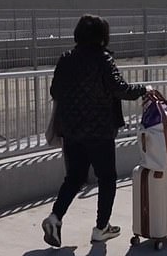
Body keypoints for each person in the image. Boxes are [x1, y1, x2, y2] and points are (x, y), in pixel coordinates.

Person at [42, 14, 150, 247]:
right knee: (107, 178)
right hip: (100, 132)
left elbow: (55, 91)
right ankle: (101, 228)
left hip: (72, 131)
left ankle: (55, 217)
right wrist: (144, 89)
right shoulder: (103, 59)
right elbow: (119, 88)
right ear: (102, 36)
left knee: (74, 178)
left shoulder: (66, 59)